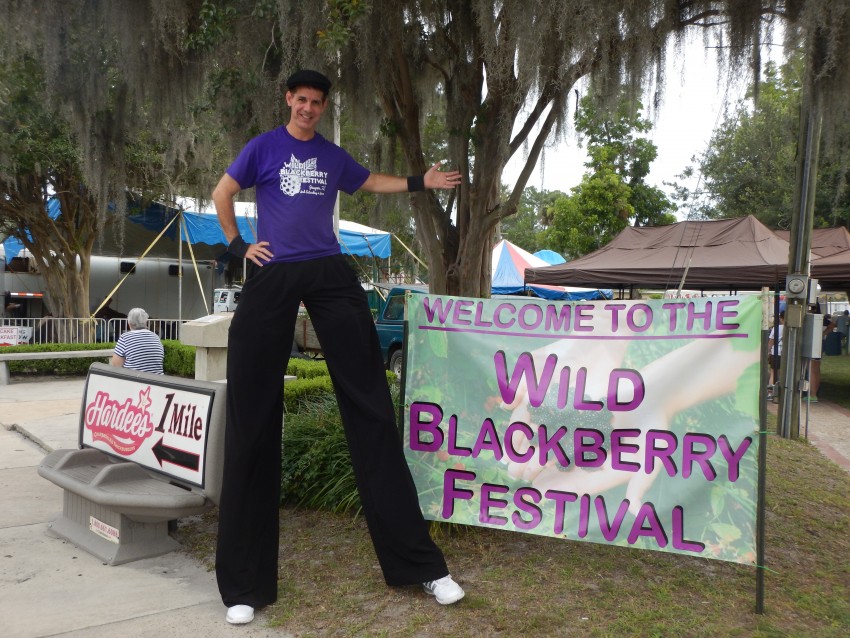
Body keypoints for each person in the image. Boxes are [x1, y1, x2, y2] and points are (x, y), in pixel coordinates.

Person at [212, 69, 464, 626]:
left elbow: (371, 182)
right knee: (252, 417)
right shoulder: (264, 147)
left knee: (370, 406)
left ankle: (422, 566)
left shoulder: (330, 156)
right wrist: (237, 247)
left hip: (327, 272)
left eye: (316, 102)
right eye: (300, 100)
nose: (307, 108)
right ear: (288, 101)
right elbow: (223, 192)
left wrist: (421, 181)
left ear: (324, 107)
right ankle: (243, 585)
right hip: (273, 270)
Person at [110, 307, 164, 374]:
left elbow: (116, 365)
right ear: (146, 322)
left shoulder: (125, 338)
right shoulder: (156, 337)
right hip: (157, 380)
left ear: (129, 323)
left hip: (135, 380)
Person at [767, 311, 784, 400]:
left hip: (776, 352)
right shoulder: (794, 328)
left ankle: (770, 392)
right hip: (787, 353)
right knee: (783, 373)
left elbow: (771, 341)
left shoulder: (777, 328)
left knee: (773, 372)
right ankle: (783, 392)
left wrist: (768, 351)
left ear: (781, 318)